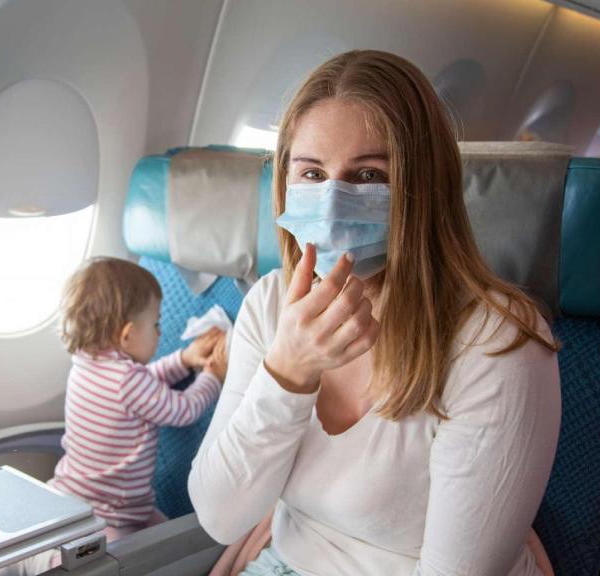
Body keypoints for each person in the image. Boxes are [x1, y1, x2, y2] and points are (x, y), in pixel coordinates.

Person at [188, 50, 560, 576]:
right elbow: (220, 517)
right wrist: (288, 375)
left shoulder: (496, 341)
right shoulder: (272, 303)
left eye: (367, 175)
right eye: (313, 173)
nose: (335, 200)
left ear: (423, 187)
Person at [54, 256, 227, 532]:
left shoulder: (86, 362)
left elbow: (142, 388)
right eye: (156, 325)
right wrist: (213, 376)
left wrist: (183, 360)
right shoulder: (127, 381)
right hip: (110, 517)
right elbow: (183, 410)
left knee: (173, 540)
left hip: (75, 495)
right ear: (127, 335)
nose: (160, 332)